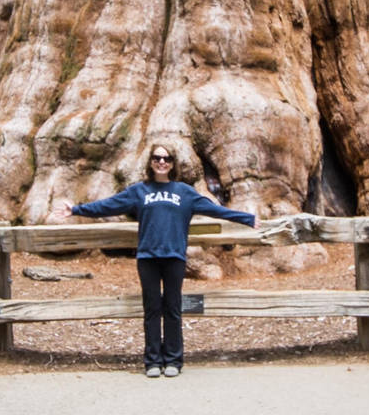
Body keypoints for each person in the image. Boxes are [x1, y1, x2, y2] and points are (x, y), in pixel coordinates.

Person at [53, 144, 256, 378]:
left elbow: (215, 210)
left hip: (174, 258)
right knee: (151, 310)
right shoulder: (139, 191)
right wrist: (76, 210)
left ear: (173, 163)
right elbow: (108, 204)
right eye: (157, 158)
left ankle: (173, 360)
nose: (162, 162)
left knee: (172, 309)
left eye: (167, 158)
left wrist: (247, 218)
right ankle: (152, 361)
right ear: (150, 162)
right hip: (148, 258)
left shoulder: (184, 192)